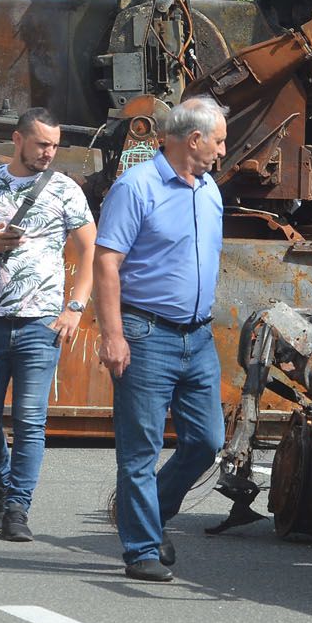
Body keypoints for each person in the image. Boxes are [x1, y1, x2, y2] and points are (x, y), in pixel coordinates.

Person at [94, 96, 229, 582]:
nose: (222, 150)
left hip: (198, 336)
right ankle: (142, 549)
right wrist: (112, 334)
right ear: (194, 140)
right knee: (140, 448)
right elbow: (106, 261)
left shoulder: (208, 188)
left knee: (207, 441)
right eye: (218, 141)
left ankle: (151, 512)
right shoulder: (137, 186)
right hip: (146, 333)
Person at [0, 108, 95, 542]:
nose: (49, 152)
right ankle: (2, 483)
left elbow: (89, 250)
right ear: (19, 140)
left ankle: (17, 508)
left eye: (54, 145)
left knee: (30, 419)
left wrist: (75, 307)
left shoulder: (66, 190)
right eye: (42, 144)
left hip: (42, 324)